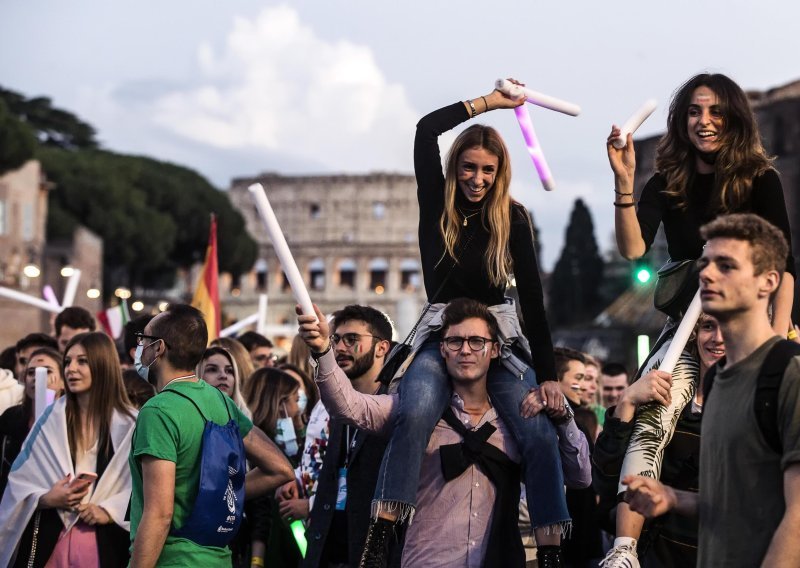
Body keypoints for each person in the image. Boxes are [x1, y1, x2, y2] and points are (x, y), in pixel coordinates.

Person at [367, 83, 570, 566]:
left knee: (538, 428)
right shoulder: (436, 204)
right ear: (455, 166)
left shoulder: (513, 218)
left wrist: (548, 375)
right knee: (415, 410)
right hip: (442, 330)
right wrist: (490, 102)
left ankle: (550, 550)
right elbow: (426, 129)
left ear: (499, 173)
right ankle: (384, 534)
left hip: (497, 334)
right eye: (469, 167)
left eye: (487, 170)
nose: (477, 179)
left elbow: (534, 303)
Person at [604, 72, 796, 563]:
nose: (704, 121)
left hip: (759, 327)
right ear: (680, 119)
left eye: (713, 111)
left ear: (732, 116)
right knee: (656, 410)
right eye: (693, 111)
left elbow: (787, 267)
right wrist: (624, 182)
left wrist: (775, 344)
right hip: (691, 329)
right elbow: (633, 248)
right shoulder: (666, 180)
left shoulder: (760, 179)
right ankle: (624, 549)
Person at [299, 299, 591, 568]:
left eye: (476, 342)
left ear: (494, 350)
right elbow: (348, 408)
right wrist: (323, 350)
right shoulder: (413, 410)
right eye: (455, 341)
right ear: (441, 349)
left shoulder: (522, 419)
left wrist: (564, 419)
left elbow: (580, 476)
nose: (465, 350)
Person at [624, 213, 800, 567]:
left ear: (768, 282)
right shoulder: (719, 379)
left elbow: (796, 516)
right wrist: (675, 499)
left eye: (727, 266)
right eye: (706, 264)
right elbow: (742, 501)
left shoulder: (789, 373)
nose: (707, 274)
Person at [129, 304, 295, 567]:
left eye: (144, 340)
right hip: (219, 558)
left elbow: (160, 514)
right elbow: (281, 469)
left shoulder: (158, 411)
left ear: (159, 348)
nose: (139, 347)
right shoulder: (220, 400)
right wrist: (221, 494)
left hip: (172, 560)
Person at [594, 314, 723, 567]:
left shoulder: (755, 405)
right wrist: (627, 401)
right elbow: (607, 483)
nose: (717, 339)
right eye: (708, 326)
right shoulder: (663, 397)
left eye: (727, 325)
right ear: (695, 333)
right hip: (657, 557)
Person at [0, 332, 137, 567]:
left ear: (103, 364)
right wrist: (46, 498)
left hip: (109, 546)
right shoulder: (50, 418)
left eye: (82, 361)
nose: (71, 369)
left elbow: (147, 488)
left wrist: (109, 510)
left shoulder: (131, 423)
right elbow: (18, 482)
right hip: (52, 542)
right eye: (67, 361)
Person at [280, 304, 398, 568]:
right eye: (336, 339)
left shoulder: (396, 405)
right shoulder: (331, 409)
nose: (341, 347)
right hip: (327, 548)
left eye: (352, 339)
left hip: (372, 552)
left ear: (382, 347)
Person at [243, 367, 305, 567]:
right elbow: (260, 509)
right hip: (271, 549)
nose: (299, 407)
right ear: (279, 404)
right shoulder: (265, 453)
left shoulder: (287, 445)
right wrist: (257, 559)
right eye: (295, 399)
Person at [0, 347, 65, 495]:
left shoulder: (70, 420)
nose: (37, 377)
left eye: (47, 371)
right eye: (31, 372)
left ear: (62, 381)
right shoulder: (10, 418)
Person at [198, 346, 252, 419]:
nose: (223, 376)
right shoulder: (183, 416)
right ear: (198, 375)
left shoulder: (245, 419)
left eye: (229, 371)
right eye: (212, 369)